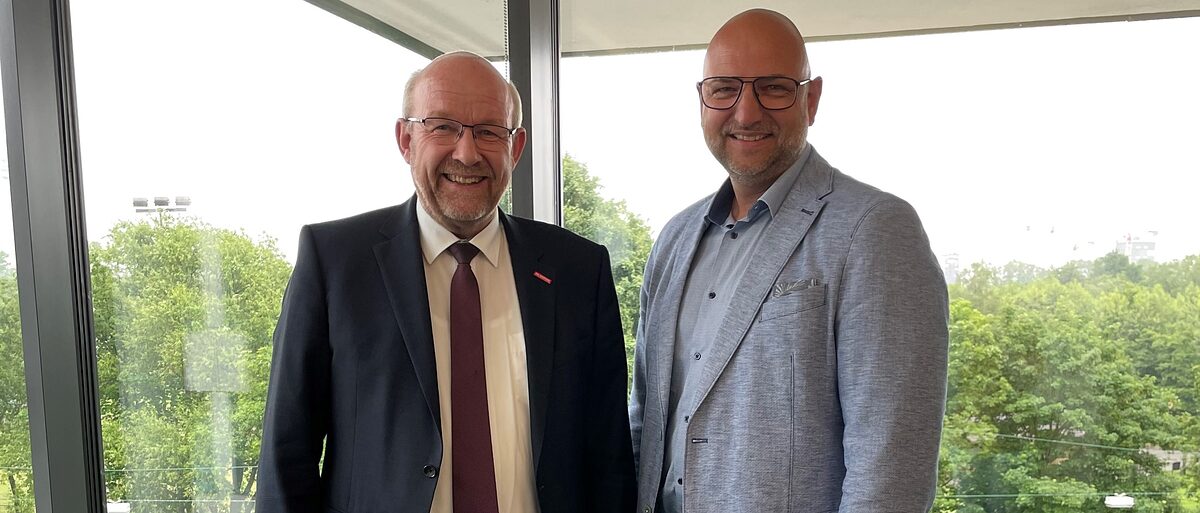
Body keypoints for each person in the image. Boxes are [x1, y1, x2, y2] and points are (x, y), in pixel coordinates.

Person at [257, 52, 635, 513]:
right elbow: (286, 456)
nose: (467, 153)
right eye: (443, 127)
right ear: (406, 139)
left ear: (515, 149)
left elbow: (609, 460)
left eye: (489, 132)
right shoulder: (335, 262)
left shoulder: (579, 270)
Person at [628, 9, 949, 513]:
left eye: (774, 88)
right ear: (702, 99)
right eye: (724, 88)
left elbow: (889, 466)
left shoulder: (875, 229)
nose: (747, 112)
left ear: (811, 98)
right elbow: (646, 419)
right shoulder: (673, 239)